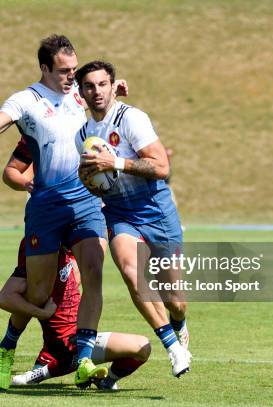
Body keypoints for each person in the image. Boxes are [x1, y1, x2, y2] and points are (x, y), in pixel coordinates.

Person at [0, 35, 128, 389]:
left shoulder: (77, 93)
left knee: (95, 271)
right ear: (44, 68)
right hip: (46, 207)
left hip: (85, 201)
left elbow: (102, 100)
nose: (73, 77)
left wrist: (115, 90)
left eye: (75, 70)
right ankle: (7, 344)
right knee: (37, 293)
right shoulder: (25, 101)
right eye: (65, 71)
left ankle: (83, 357)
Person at [75, 61, 192, 377]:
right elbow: (94, 181)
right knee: (131, 271)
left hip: (156, 209)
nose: (96, 91)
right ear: (81, 91)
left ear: (113, 86)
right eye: (89, 86)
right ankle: (173, 347)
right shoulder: (83, 134)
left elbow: (161, 167)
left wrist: (116, 163)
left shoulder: (132, 119)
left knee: (176, 301)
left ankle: (179, 325)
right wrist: (89, 177)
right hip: (120, 213)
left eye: (102, 84)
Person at [0, 239, 151, 390]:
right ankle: (40, 372)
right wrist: (42, 313)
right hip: (67, 341)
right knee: (141, 346)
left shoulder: (72, 246)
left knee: (142, 349)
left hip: (72, 338)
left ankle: (104, 381)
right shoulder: (40, 246)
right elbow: (5, 298)